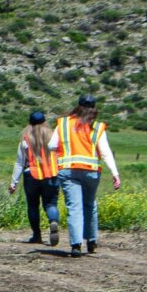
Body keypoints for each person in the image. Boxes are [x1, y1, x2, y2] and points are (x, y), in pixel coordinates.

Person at [51, 95, 120, 256]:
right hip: (91, 171)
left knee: (74, 207)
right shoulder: (97, 127)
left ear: (78, 106)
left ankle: (76, 245)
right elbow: (105, 152)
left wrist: (63, 150)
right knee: (90, 204)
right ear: (94, 108)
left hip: (68, 171)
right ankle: (91, 240)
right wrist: (115, 173)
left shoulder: (64, 124)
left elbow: (52, 145)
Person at [10, 109, 60, 247]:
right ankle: (53, 221)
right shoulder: (53, 137)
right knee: (51, 204)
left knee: (33, 206)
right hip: (52, 174)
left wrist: (13, 182)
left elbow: (20, 163)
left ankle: (37, 235)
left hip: (31, 175)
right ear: (45, 122)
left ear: (29, 124)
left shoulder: (25, 140)